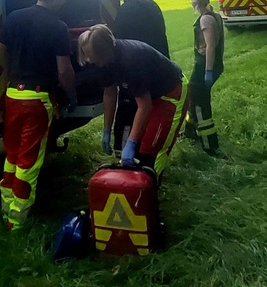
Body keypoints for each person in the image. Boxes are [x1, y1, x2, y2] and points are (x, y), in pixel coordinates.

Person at [0, 0, 77, 230]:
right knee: (29, 161)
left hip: (13, 95)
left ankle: (6, 208)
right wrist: (71, 95)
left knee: (12, 154)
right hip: (38, 100)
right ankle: (17, 221)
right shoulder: (58, 27)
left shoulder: (15, 17)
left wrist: (12, 73)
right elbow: (64, 71)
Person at [77, 24, 187, 177]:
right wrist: (107, 129)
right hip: (150, 96)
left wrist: (131, 142)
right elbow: (109, 93)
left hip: (170, 93)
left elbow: (144, 106)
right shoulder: (101, 62)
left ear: (105, 51)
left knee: (151, 151)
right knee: (138, 150)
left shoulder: (131, 60)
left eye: (92, 55)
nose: (89, 60)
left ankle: (149, 190)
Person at [107, 0, 170, 155]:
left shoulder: (128, 9)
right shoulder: (152, 4)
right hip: (157, 66)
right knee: (149, 109)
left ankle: (125, 151)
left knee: (129, 111)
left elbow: (116, 41)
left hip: (133, 67)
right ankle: (145, 149)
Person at [186, 0, 224, 154]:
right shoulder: (213, 15)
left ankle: (209, 144)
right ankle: (190, 132)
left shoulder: (205, 20)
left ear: (197, 1)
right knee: (193, 98)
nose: (190, 2)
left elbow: (210, 46)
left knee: (200, 103)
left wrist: (208, 71)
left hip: (205, 65)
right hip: (208, 65)